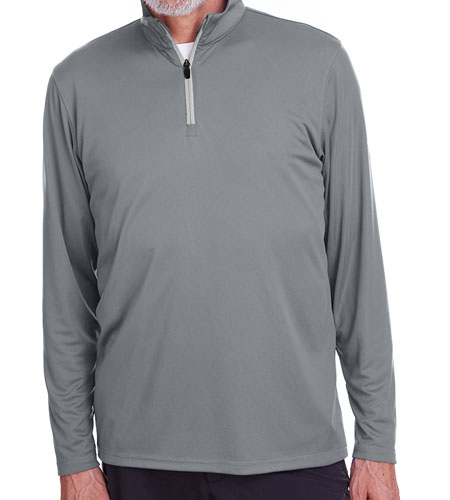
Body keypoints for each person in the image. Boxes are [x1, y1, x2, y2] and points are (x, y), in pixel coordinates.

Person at [42, 0, 400, 498]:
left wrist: (377, 443)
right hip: (137, 463)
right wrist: (75, 457)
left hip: (296, 457)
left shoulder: (318, 64)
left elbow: (356, 268)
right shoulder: (76, 84)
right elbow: (67, 292)